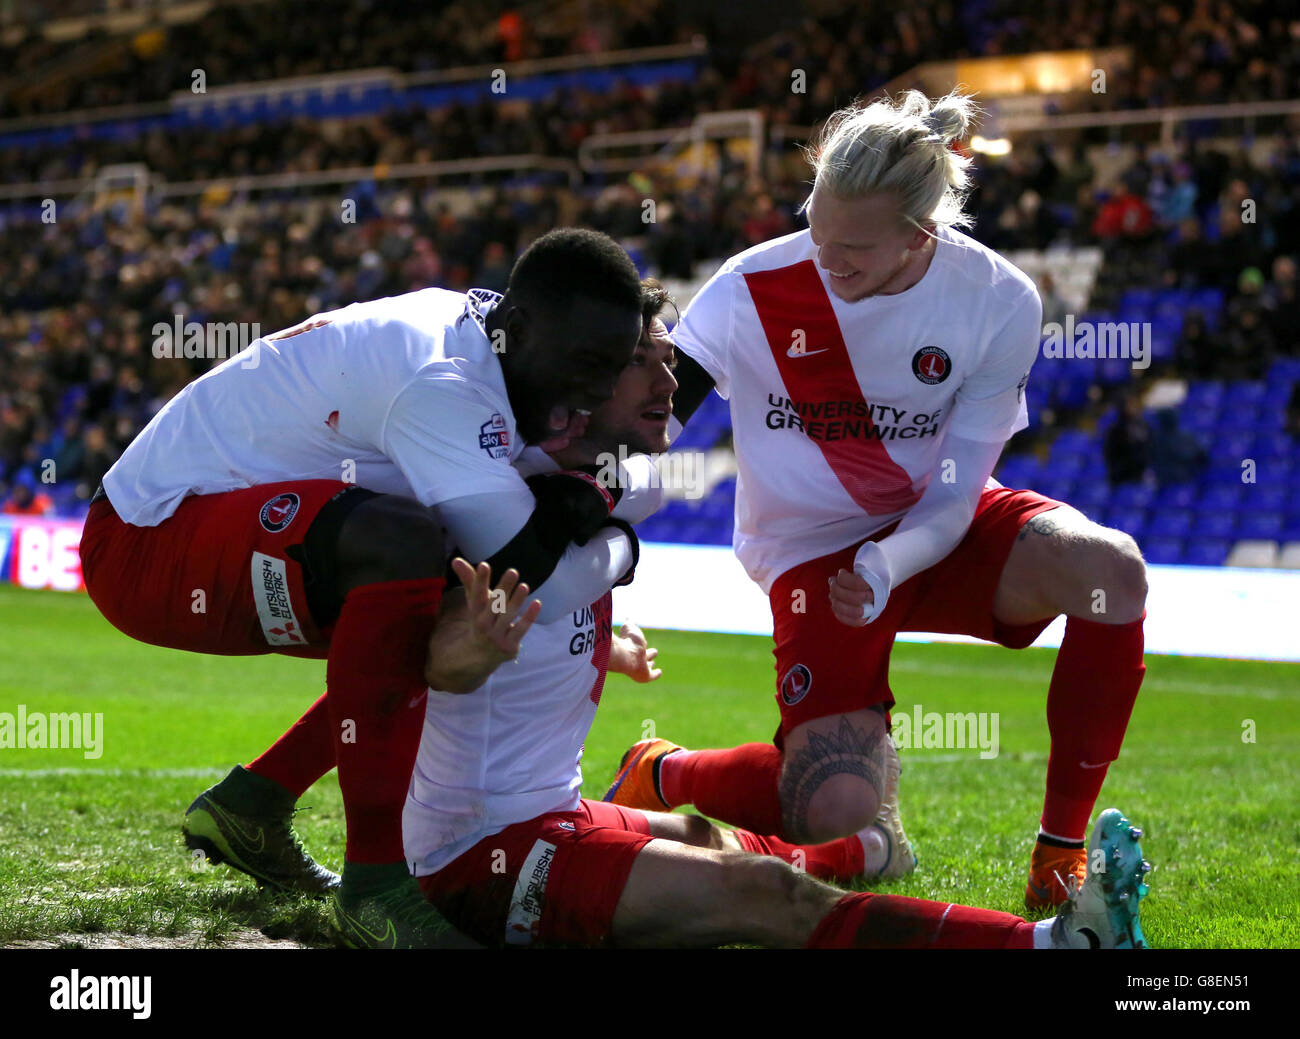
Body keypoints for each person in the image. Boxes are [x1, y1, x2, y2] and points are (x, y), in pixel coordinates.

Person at [404, 288, 1152, 949]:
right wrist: (475, 640)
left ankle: (860, 846)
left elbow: (596, 546)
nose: (676, 381)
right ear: (586, 376)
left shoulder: (608, 486)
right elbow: (430, 660)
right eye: (648, 363)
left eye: (672, 360)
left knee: (710, 838)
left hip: (556, 809)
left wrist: (604, 623)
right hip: (481, 856)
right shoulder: (497, 498)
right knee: (767, 895)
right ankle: (1057, 943)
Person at [605, 91, 1149, 912]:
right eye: (816, 229)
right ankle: (661, 769)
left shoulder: (998, 299)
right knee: (843, 824)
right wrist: (598, 499)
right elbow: (653, 424)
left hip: (935, 525)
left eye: (853, 249)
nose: (824, 257)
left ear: (920, 236)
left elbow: (962, 485)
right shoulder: (751, 285)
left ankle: (1060, 850)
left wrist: (889, 562)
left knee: (1112, 571)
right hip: (808, 549)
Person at [80, 228, 653, 947]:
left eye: (615, 367)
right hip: (144, 544)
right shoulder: (446, 381)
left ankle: (254, 802)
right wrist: (620, 538)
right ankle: (376, 885)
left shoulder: (489, 340)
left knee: (451, 594)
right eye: (589, 364)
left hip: (207, 528)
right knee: (412, 548)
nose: (600, 391)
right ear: (524, 328)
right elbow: (539, 584)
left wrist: (601, 496)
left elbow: (556, 535)